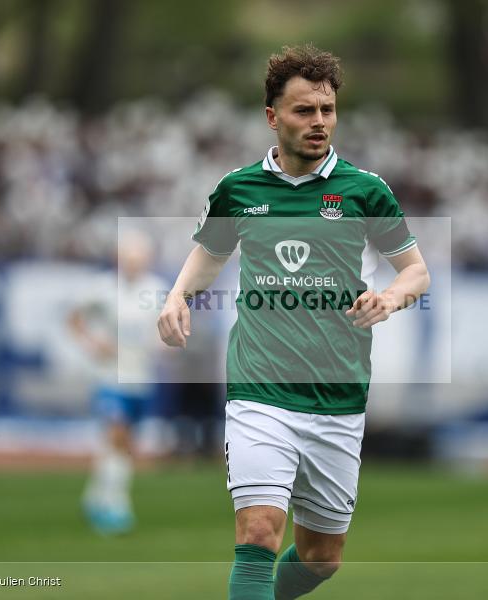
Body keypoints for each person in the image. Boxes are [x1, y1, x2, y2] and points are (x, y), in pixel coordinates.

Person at [157, 45, 430, 599]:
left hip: (338, 397)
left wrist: (390, 298)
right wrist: (177, 296)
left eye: (328, 110)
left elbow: (416, 271)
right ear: (272, 116)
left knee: (322, 558)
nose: (319, 121)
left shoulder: (365, 191)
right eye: (305, 110)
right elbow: (208, 255)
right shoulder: (239, 190)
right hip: (259, 390)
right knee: (259, 532)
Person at [69, 231, 166, 534]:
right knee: (117, 435)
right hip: (109, 376)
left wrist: (165, 342)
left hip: (141, 379)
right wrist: (91, 343)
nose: (133, 265)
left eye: (139, 260)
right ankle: (117, 504)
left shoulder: (156, 289)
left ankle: (94, 497)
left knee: (120, 445)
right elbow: (74, 318)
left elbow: (170, 327)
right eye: (128, 260)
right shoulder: (103, 288)